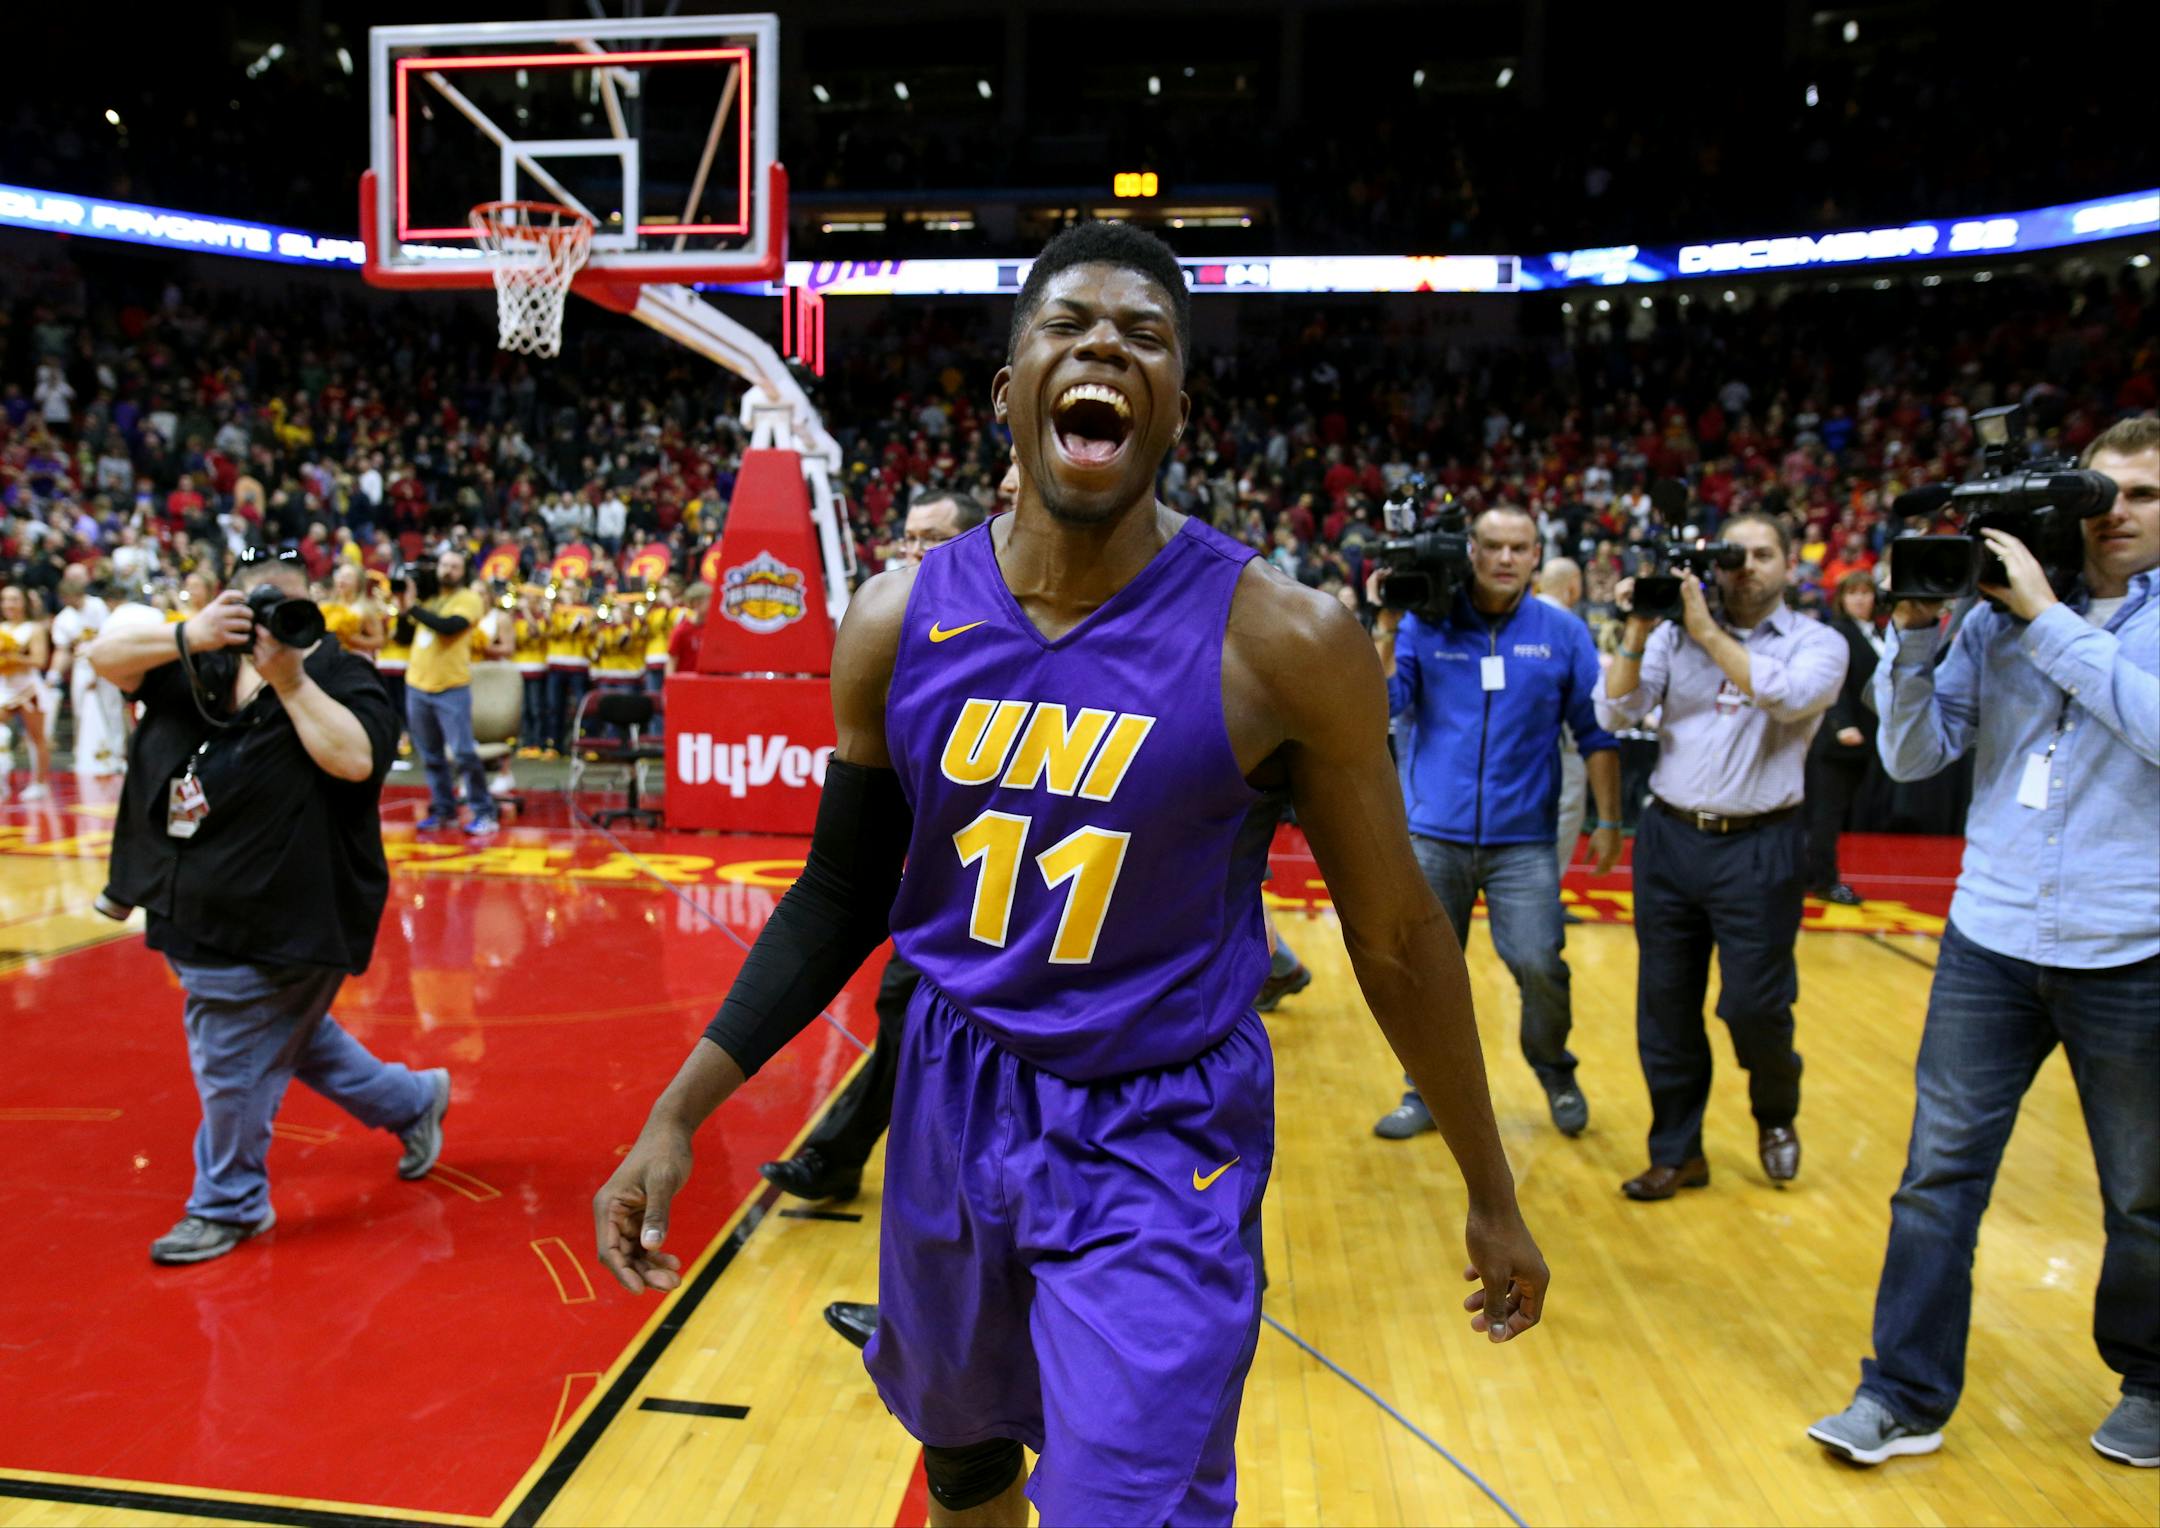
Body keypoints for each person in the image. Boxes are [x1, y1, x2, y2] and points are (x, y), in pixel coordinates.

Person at [592, 223, 1547, 1527]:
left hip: (1159, 1130)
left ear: (1176, 410)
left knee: (1123, 1506)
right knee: (964, 1453)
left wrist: (1490, 1189)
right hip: (945, 1092)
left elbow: (1394, 932)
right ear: (1006, 394)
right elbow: (838, 895)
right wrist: (680, 1107)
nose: (1105, 345)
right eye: (1068, 326)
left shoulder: (1287, 640)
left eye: (1145, 335)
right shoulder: (895, 619)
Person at [1810, 417, 2160, 1471]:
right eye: (2105, 491)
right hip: (1992, 934)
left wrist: (2049, 618)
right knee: (1936, 1179)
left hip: (2134, 943)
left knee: (2142, 1194)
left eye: (2143, 493)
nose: (2118, 512)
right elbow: (1913, 757)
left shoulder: (2048, 616)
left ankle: (2151, 1381)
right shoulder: (1990, 620)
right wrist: (1915, 634)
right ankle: (1901, 1393)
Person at [84, 554, 450, 1265]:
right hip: (193, 910)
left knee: (232, 1059)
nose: (267, 620)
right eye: (252, 603)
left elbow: (355, 760)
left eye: (285, 606)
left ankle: (229, 1203)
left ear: (311, 608)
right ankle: (413, 1101)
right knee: (291, 1039)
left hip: (288, 920)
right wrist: (189, 632)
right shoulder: (202, 656)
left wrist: (290, 678)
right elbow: (104, 657)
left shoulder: (342, 675)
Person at [760, 488, 993, 1353]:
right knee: (913, 1053)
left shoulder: (1017, 635)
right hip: (933, 903)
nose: (914, 553)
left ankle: (927, 1317)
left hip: (1006, 920)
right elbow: (840, 871)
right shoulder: (896, 626)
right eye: (908, 538)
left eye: (935, 540)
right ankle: (912, 1295)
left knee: (940, 1091)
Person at [1594, 512, 1847, 1200]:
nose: (1747, 567)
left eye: (1763, 554)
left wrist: (1704, 629)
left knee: (1754, 1007)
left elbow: (1789, 699)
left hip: (1760, 845)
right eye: (1736, 555)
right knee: (1666, 1006)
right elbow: (1614, 714)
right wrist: (1640, 629)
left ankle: (1775, 1113)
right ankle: (1678, 1152)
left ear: (1789, 566)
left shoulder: (1816, 642)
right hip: (1672, 838)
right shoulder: (1671, 636)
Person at [1366, 505, 1622, 1140]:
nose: (1506, 558)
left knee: (1540, 963)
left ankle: (1554, 1068)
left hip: (1523, 844)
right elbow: (1381, 706)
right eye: (1493, 546)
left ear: (1537, 556)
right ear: (1470, 552)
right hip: (1432, 835)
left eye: (1520, 547)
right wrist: (1387, 625)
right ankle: (1422, 1091)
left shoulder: (1563, 635)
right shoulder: (1426, 625)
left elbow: (1596, 734)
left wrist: (1609, 820)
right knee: (1424, 971)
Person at [400, 548, 496, 835]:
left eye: (454, 566)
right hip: (417, 684)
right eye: (444, 565)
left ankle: (484, 811)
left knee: (464, 753)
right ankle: (444, 811)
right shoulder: (430, 598)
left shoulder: (469, 599)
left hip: (451, 686)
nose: (447, 570)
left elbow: (448, 627)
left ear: (463, 571)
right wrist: (403, 605)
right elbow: (403, 636)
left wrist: (413, 608)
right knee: (430, 756)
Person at [1803, 570, 1886, 904]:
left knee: (1832, 812)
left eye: (1866, 593)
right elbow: (1832, 683)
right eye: (1853, 593)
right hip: (1838, 741)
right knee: (1826, 813)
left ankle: (1815, 875)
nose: (1861, 599)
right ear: (1841, 598)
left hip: (1866, 739)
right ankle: (1821, 880)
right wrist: (1841, 724)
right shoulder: (1838, 633)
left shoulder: (1875, 632)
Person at [1535, 557, 1592, 884]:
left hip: (1516, 741)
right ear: (1573, 587)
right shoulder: (1569, 626)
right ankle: (1546, 893)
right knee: (1565, 813)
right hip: (1562, 742)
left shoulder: (1520, 617)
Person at [49, 567, 126, 779]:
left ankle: (118, 756)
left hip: (107, 661)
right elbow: (62, 650)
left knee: (112, 709)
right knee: (81, 710)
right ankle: (84, 754)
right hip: (81, 666)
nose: (67, 600)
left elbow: (110, 637)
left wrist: (98, 672)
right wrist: (53, 674)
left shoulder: (98, 606)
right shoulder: (64, 618)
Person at [0, 585, 54, 800]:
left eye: (14, 599)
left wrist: (11, 656)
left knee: (36, 737)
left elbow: (39, 661)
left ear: (23, 602)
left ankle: (40, 783)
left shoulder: (34, 628)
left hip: (28, 689)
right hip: (4, 687)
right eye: (4, 600)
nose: (8, 604)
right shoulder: (1, 627)